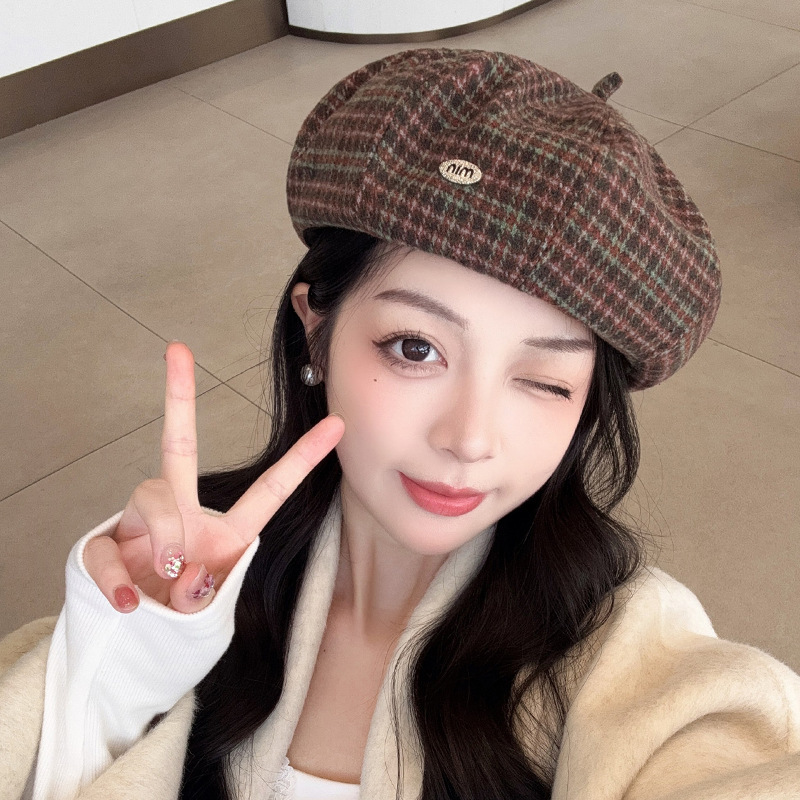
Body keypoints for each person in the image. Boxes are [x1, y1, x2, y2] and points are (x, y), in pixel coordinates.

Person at [2, 48, 799, 800]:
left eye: (544, 381)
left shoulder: (628, 651)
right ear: (317, 331)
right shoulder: (186, 583)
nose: (469, 439)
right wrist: (124, 665)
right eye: (417, 348)